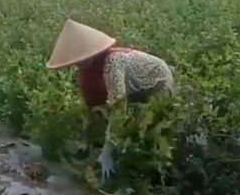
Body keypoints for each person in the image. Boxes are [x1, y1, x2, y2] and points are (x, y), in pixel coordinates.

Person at [46, 19, 175, 180]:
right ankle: (112, 146)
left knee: (149, 123)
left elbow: (118, 108)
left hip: (156, 80)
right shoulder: (85, 72)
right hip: (132, 87)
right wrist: (87, 142)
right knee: (116, 119)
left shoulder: (113, 63)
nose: (77, 63)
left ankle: (151, 167)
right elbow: (92, 108)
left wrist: (107, 152)